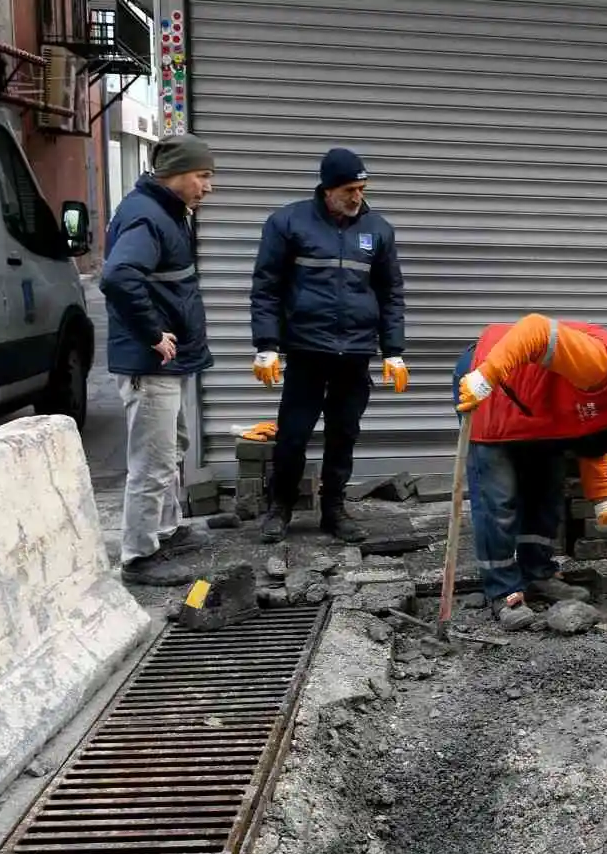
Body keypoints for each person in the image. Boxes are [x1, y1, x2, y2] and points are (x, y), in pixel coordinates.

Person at [454, 313, 607, 628]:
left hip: (537, 413)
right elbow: (535, 329)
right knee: (499, 500)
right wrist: (485, 376)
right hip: (493, 387)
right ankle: (503, 591)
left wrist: (602, 501)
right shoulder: (604, 366)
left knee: (546, 494)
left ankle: (537, 573)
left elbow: (595, 436)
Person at [249, 148, 408, 545]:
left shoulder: (378, 230)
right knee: (293, 434)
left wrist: (393, 350)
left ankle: (334, 509)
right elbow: (266, 289)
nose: (357, 197)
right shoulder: (288, 223)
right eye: (349, 189)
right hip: (306, 350)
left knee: (344, 433)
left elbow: (391, 295)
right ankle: (279, 507)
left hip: (354, 353)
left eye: (362, 188)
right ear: (327, 189)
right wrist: (267, 345)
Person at [101, 133, 217, 586]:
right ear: (175, 175)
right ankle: (139, 555)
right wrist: (152, 334)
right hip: (150, 366)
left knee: (172, 451)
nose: (208, 186)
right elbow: (118, 276)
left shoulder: (168, 212)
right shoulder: (147, 216)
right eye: (202, 176)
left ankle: (165, 532)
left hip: (170, 362)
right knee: (151, 461)